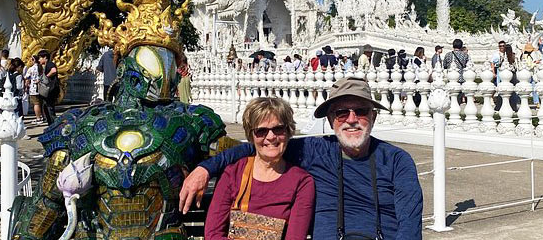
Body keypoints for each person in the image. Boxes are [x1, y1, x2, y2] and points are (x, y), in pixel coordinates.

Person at [181, 77, 423, 239]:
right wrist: (205, 169)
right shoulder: (315, 150)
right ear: (330, 120)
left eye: (360, 111)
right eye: (341, 113)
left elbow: (410, 227)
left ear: (373, 117)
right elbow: (258, 148)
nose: (351, 119)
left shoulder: (397, 161)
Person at [204, 98, 315, 240]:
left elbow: (295, 237)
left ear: (288, 131)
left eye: (278, 129)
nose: (271, 137)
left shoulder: (301, 181)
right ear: (251, 135)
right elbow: (213, 234)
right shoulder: (233, 174)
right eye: (261, 131)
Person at [38, 49, 59, 124]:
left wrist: (46, 77)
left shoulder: (50, 64)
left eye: (40, 58)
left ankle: (53, 123)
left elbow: (53, 71)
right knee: (46, 106)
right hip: (50, 89)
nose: (39, 60)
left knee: (49, 107)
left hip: (51, 89)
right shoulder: (46, 65)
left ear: (45, 58)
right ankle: (50, 122)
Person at [24, 55, 44, 124]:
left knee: (36, 104)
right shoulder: (41, 67)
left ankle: (38, 118)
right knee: (40, 102)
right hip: (42, 87)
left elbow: (26, 77)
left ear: (34, 60)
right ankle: (42, 116)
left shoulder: (31, 69)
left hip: (33, 88)